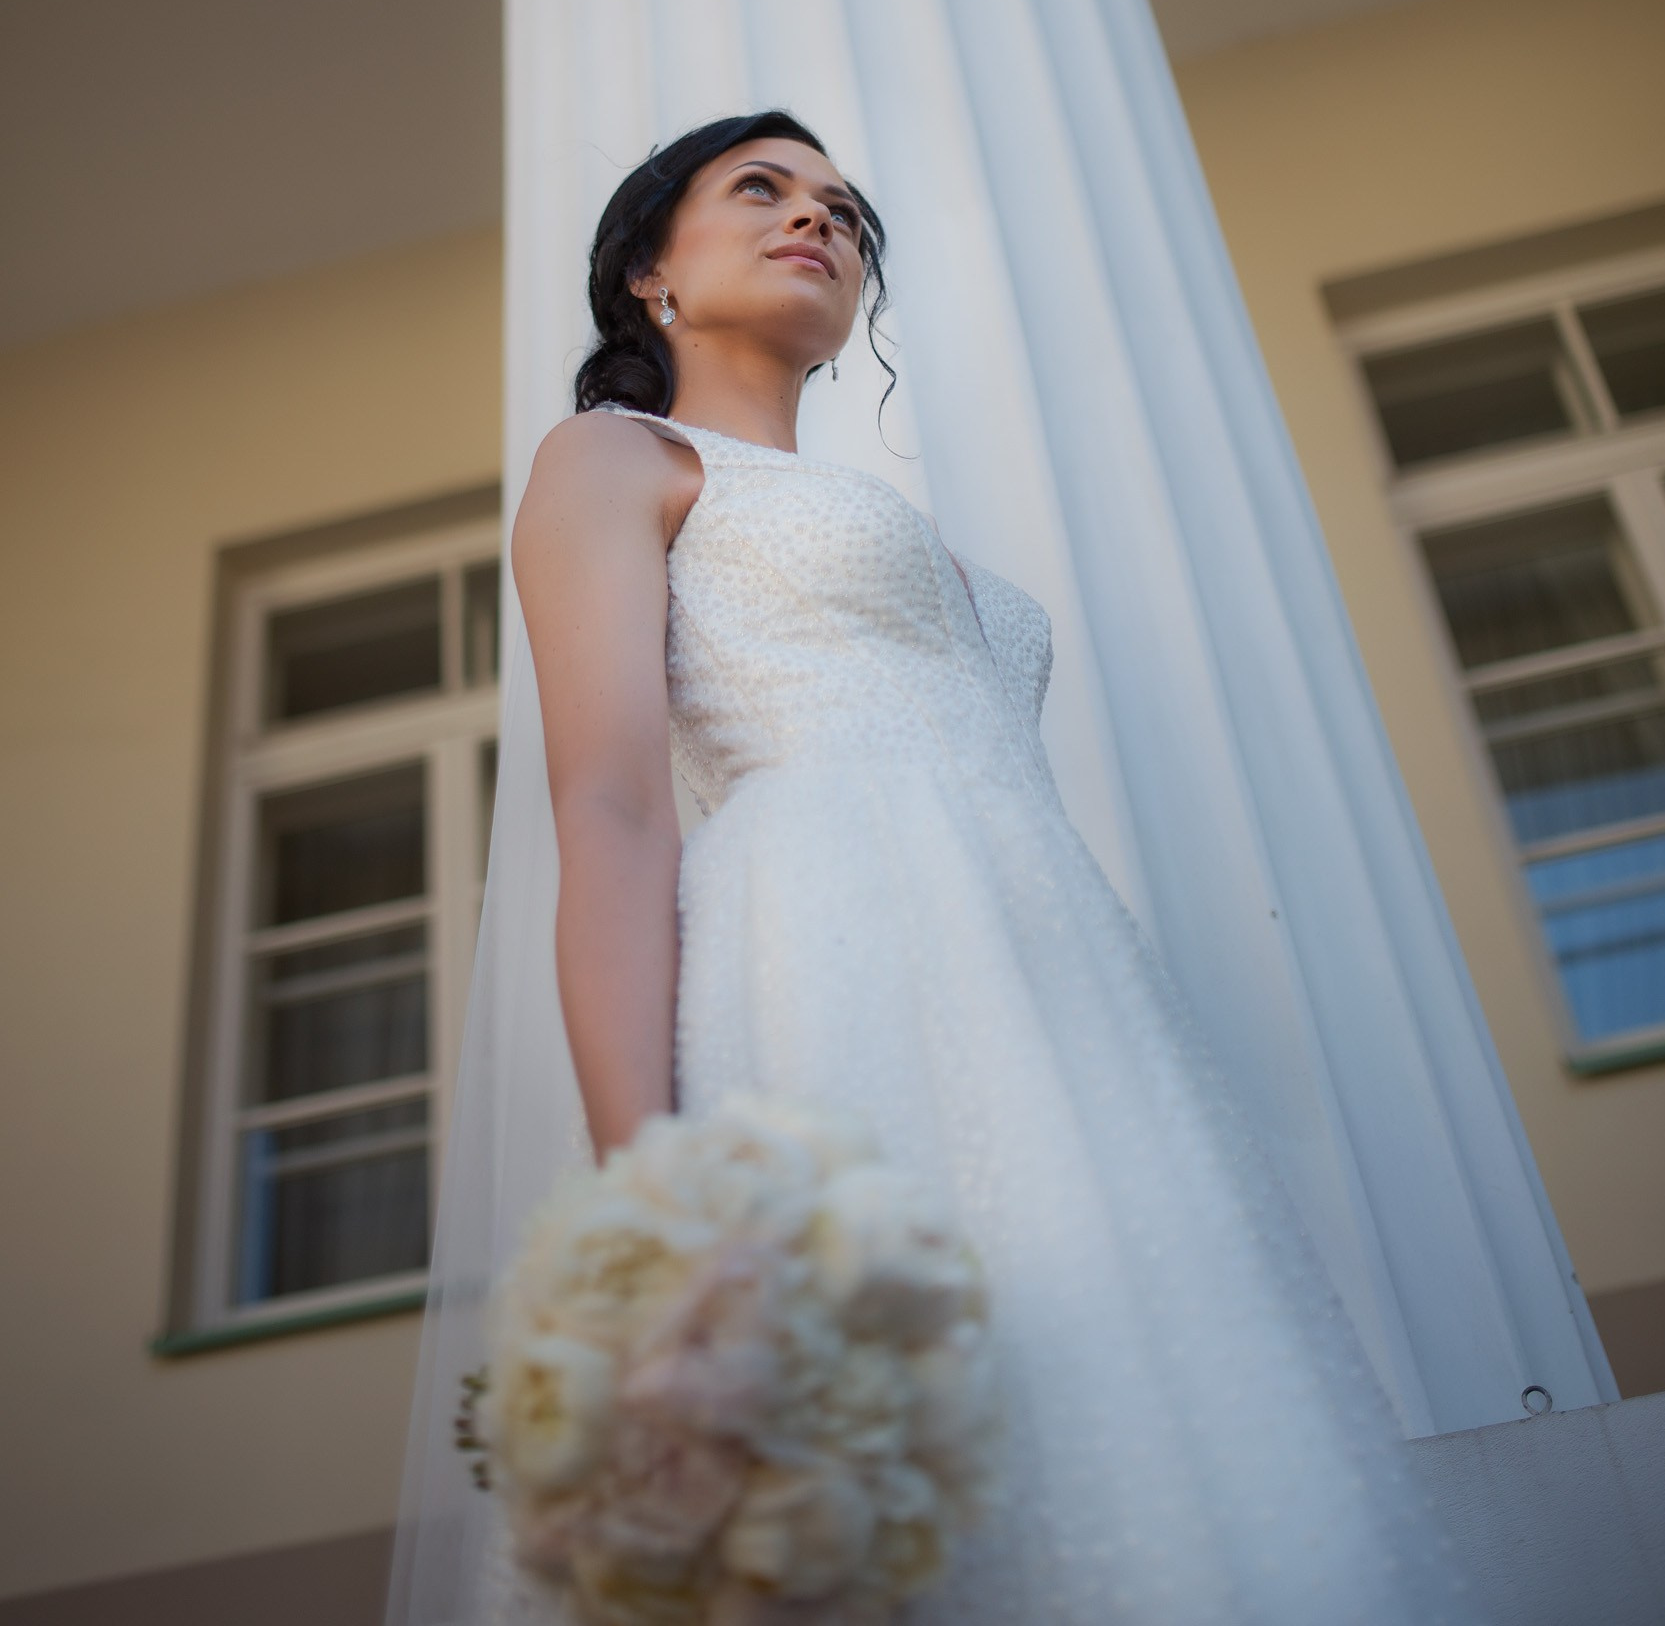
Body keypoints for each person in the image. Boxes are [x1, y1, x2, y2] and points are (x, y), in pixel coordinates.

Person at [392, 108, 1479, 1626]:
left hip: (1054, 976)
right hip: (837, 943)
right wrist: (654, 1200)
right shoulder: (617, 458)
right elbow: (616, 810)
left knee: (1124, 1389)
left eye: (841, 207)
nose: (815, 219)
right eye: (760, 191)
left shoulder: (901, 524)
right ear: (651, 272)